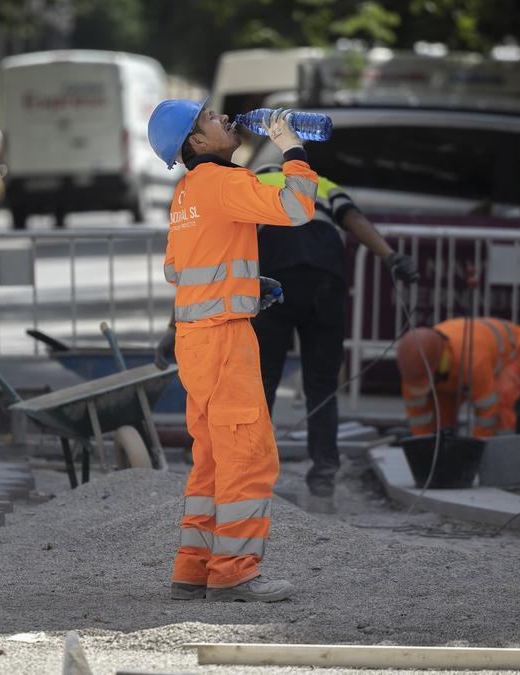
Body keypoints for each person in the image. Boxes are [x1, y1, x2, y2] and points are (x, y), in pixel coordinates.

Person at [147, 100, 317, 603]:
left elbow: (179, 270)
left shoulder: (185, 194)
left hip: (195, 340)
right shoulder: (227, 181)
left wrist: (243, 281)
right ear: (197, 144)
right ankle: (235, 572)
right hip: (224, 339)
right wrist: (292, 149)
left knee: (213, 462)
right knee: (247, 456)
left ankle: (193, 568)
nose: (224, 119)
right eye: (209, 120)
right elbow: (297, 206)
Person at [249, 165, 418, 513]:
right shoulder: (321, 183)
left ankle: (253, 481)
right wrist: (391, 257)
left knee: (261, 382)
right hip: (326, 278)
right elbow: (353, 218)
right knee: (322, 386)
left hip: (274, 275)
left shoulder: (252, 181)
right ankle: (323, 482)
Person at [396, 318, 520, 439]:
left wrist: (475, 453)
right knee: (441, 405)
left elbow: (487, 413)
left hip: (513, 350)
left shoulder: (472, 361)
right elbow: (418, 418)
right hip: (462, 361)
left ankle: (506, 451)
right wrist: (424, 449)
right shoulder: (414, 367)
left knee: (503, 399)